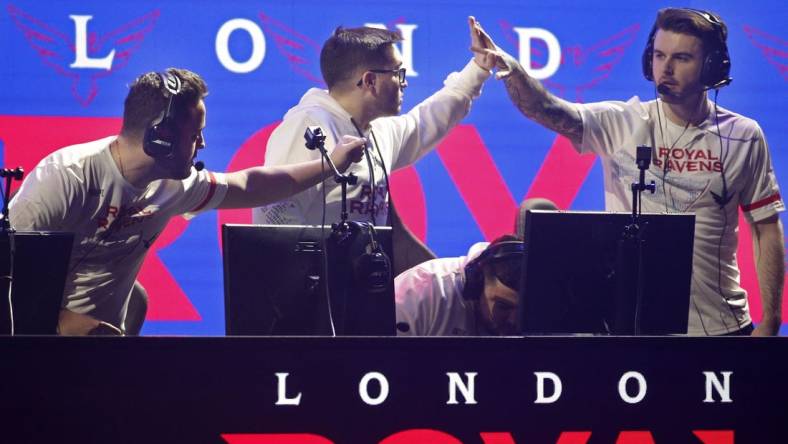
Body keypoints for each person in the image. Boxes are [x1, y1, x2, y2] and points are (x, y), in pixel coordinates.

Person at [474, 8, 784, 335]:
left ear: (711, 67)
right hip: (635, 330)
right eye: (659, 55)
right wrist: (510, 70)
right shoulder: (623, 122)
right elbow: (548, 110)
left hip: (724, 329)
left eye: (681, 58)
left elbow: (766, 227)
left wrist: (772, 320)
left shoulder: (744, 136)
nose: (666, 68)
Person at [9, 68, 366, 335]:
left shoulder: (174, 185)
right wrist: (70, 325)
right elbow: (7, 278)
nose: (203, 145)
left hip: (99, 350)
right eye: (196, 135)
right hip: (33, 347)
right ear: (160, 137)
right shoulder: (64, 178)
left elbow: (248, 184)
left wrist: (328, 165)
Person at [253, 17, 496, 274]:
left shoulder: (375, 130)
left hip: (361, 290)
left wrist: (478, 70)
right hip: (315, 296)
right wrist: (311, 282)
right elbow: (274, 216)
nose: (404, 82)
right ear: (370, 80)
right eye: (397, 73)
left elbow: (425, 122)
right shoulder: (308, 128)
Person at [395, 234, 524, 336]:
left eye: (523, 310)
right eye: (503, 307)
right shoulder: (421, 292)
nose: (514, 320)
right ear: (476, 286)